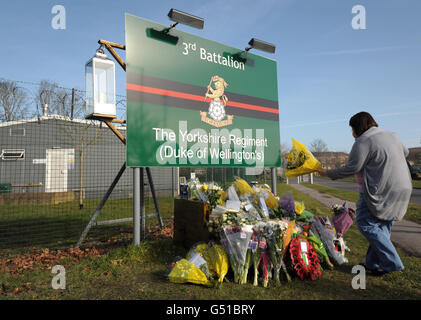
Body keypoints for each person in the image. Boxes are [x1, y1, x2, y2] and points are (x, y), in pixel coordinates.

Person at [318, 111, 412, 275]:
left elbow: (352, 167)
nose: (352, 134)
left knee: (365, 223)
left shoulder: (363, 141)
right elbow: (405, 152)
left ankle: (392, 262)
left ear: (357, 128)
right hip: (403, 187)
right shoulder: (392, 136)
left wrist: (328, 173)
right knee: (382, 227)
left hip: (379, 191)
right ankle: (373, 264)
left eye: (352, 129)